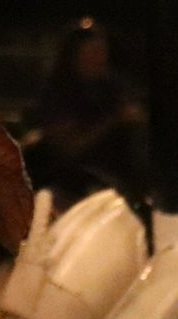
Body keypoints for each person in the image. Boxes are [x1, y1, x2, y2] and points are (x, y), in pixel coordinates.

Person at [28, 20, 146, 204]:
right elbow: (68, 148)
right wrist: (114, 120)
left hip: (117, 182)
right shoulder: (59, 92)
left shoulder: (113, 88)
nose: (100, 58)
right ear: (74, 56)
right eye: (92, 52)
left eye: (102, 51)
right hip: (72, 184)